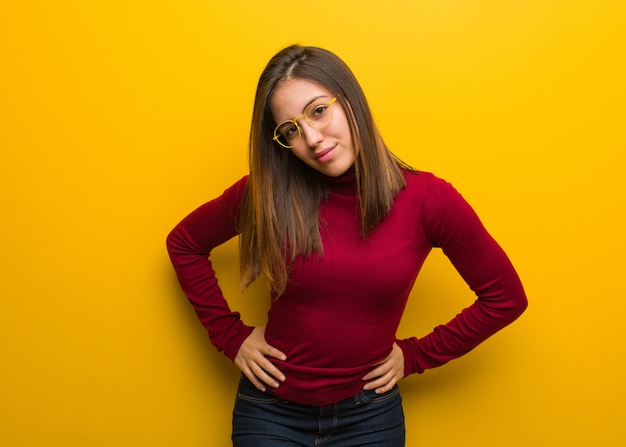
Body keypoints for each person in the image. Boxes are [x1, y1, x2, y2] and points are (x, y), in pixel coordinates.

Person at [166, 44, 527, 447]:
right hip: (270, 412)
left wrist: (415, 356)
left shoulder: (427, 199)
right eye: (291, 131)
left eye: (318, 111)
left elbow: (505, 298)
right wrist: (229, 336)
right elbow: (184, 243)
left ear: (350, 100)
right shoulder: (267, 194)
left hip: (369, 416)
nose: (312, 139)